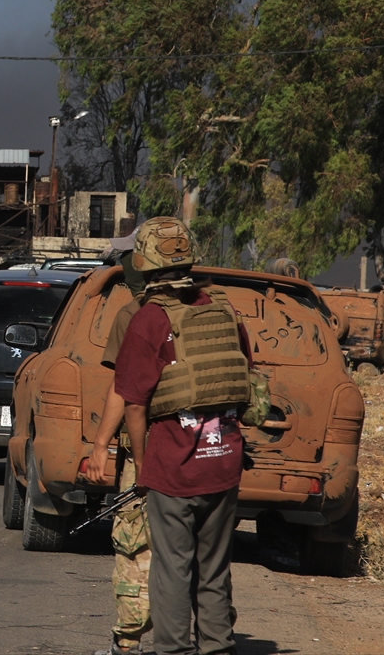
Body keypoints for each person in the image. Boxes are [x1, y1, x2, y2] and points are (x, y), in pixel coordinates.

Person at [115, 217, 253, 655]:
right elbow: (246, 376)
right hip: (225, 461)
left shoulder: (149, 320)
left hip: (173, 468)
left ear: (144, 261)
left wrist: (142, 465)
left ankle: (173, 651)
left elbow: (134, 403)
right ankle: (217, 646)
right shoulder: (224, 309)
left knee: (172, 570)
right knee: (213, 571)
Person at [84, 231, 151, 655]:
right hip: (208, 452)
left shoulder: (136, 315)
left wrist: (102, 445)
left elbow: (126, 391)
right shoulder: (219, 309)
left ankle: (128, 645)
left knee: (134, 548)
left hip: (147, 452)